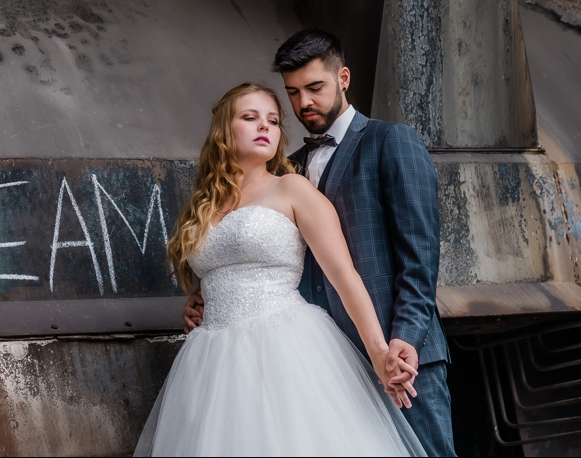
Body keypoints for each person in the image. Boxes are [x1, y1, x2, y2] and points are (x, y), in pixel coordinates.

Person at [183, 31, 456, 456]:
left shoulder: (390, 140)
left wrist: (404, 336)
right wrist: (210, 294)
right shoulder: (286, 167)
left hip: (399, 350)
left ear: (343, 78)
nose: (303, 103)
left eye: (314, 88)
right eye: (293, 93)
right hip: (315, 360)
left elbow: (419, 257)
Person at [135, 82, 425, 457]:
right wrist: (200, 297)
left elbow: (344, 275)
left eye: (272, 121)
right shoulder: (203, 206)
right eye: (250, 117)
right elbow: (221, 266)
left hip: (280, 347)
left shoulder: (292, 188)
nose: (264, 127)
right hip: (211, 359)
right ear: (224, 130)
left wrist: (378, 351)